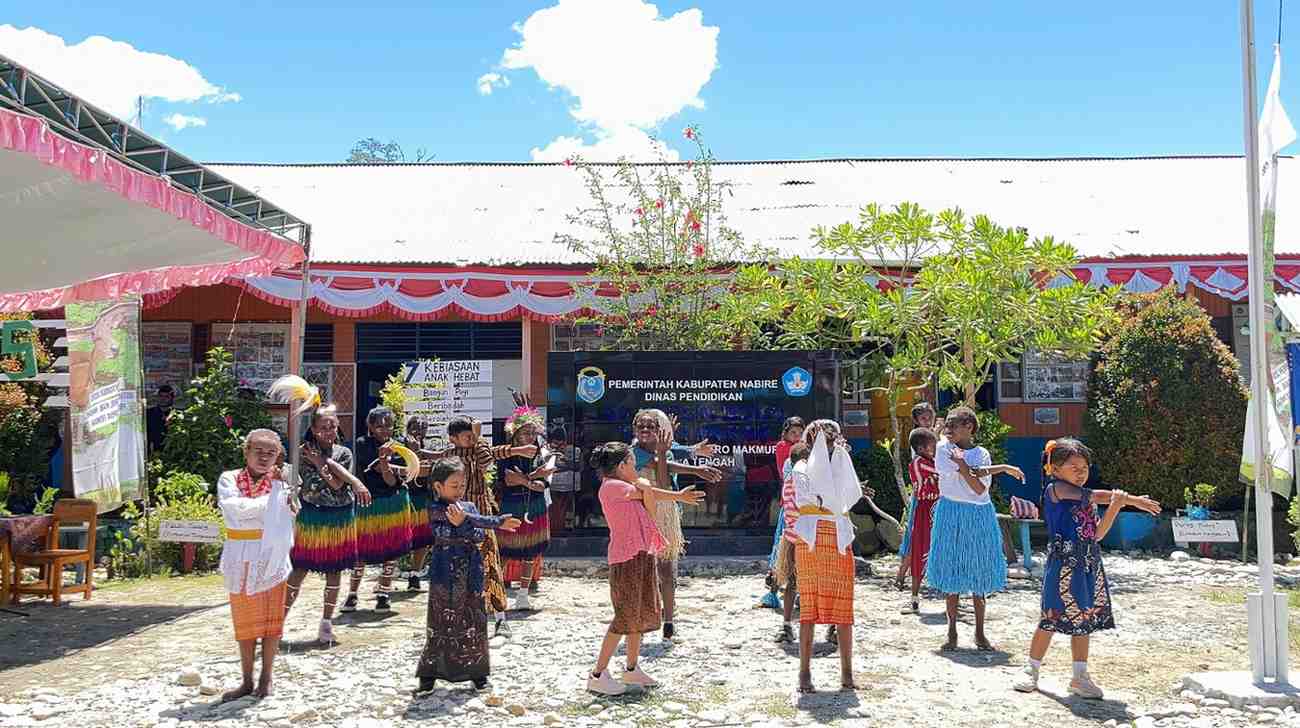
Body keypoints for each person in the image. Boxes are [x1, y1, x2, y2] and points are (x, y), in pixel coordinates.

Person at [1014, 438, 1159, 698]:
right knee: (1050, 616)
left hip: (1089, 563)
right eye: (1073, 466)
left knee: (1084, 620)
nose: (1081, 472)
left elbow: (1098, 534)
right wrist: (1130, 499)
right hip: (1063, 565)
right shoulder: (1055, 490)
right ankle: (1031, 669)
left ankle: (1080, 676)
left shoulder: (1087, 500)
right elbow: (1092, 495)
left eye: (1085, 467)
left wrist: (1116, 505)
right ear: (1055, 469)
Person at [586, 442, 707, 696]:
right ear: (621, 467)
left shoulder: (630, 487)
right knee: (623, 616)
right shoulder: (613, 487)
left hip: (641, 555)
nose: (635, 467)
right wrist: (660, 491)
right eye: (631, 463)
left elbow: (650, 503)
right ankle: (597, 674)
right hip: (625, 559)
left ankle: (631, 668)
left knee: (638, 614)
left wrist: (671, 494)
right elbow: (649, 496)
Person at [416, 458, 522, 694]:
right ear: (438, 487)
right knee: (439, 620)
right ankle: (428, 675)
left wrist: (469, 524)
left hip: (471, 570)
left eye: (462, 485)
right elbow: (471, 524)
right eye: (454, 485)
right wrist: (497, 522)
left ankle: (478, 674)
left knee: (474, 619)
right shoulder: (434, 509)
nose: (459, 490)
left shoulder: (470, 507)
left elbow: (476, 533)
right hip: (443, 572)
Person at [925, 406, 1025, 651]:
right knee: (952, 573)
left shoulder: (981, 453)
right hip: (951, 511)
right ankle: (951, 632)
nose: (948, 431)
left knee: (979, 574)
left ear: (969, 427)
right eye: (946, 426)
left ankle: (980, 632)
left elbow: (979, 488)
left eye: (954, 426)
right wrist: (966, 467)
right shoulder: (942, 449)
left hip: (979, 513)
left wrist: (962, 465)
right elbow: (971, 476)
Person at [428, 415, 537, 638]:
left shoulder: (479, 446)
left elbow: (489, 458)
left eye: (472, 434)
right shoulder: (449, 457)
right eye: (467, 436)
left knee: (491, 566)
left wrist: (512, 449)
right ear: (453, 438)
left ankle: (499, 618)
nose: (471, 439)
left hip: (481, 515)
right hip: (455, 521)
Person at [216, 429, 296, 701]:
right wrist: (270, 506)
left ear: (278, 456)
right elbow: (232, 509)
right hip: (240, 557)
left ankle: (267, 678)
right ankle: (246, 680)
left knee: (271, 624)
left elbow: (287, 512)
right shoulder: (229, 478)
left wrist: (272, 503)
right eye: (258, 451)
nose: (264, 457)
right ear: (246, 452)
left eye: (270, 453)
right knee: (245, 623)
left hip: (271, 558)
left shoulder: (284, 482)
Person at [283, 403, 372, 644]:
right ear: (312, 428)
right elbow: (320, 484)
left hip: (339, 516)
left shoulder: (344, 453)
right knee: (299, 568)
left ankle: (326, 623)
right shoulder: (300, 454)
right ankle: (278, 623)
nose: (329, 431)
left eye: (333, 426)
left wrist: (320, 461)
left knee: (334, 570)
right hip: (312, 515)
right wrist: (324, 466)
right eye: (323, 427)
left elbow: (336, 486)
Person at [631, 409, 723, 641]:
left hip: (665, 514)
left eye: (651, 427)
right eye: (641, 426)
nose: (645, 430)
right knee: (642, 569)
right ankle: (643, 617)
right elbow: (662, 469)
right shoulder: (632, 454)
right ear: (634, 430)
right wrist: (695, 469)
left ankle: (669, 620)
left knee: (666, 569)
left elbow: (666, 475)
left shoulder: (667, 450)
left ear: (659, 430)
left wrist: (689, 450)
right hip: (641, 513)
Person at [791, 420, 865, 694]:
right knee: (809, 607)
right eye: (827, 440)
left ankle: (847, 673)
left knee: (844, 608)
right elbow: (815, 500)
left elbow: (846, 496)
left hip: (838, 537)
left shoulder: (840, 465)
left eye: (834, 440)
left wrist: (839, 459)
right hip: (812, 540)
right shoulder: (801, 469)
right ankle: (804, 673)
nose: (832, 445)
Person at [344, 406, 413, 613]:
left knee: (390, 550)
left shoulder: (399, 447)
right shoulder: (362, 444)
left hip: (393, 502)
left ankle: (383, 594)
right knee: (362, 550)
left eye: (388, 425)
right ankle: (352, 594)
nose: (384, 430)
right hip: (368, 503)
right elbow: (381, 471)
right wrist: (384, 461)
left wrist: (389, 463)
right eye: (379, 426)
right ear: (370, 427)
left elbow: (391, 480)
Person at [496, 406, 553, 610]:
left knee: (530, 552)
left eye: (532, 432)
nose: (529, 436)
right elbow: (508, 481)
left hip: (534, 506)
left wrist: (525, 480)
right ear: (515, 433)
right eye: (525, 432)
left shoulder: (540, 454)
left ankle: (522, 596)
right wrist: (532, 478)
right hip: (511, 505)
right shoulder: (506, 454)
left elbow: (542, 484)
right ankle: (494, 594)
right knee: (504, 550)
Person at [894, 402, 938, 591]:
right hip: (924, 499)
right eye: (923, 418)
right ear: (917, 420)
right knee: (915, 540)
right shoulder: (920, 441)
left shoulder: (931, 438)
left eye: (930, 417)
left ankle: (905, 577)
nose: (927, 421)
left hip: (932, 497)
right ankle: (902, 575)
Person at [764, 418, 806, 610]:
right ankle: (773, 590)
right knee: (782, 553)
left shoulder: (803, 452)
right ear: (785, 434)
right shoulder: (784, 450)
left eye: (800, 433)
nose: (797, 437)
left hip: (801, 510)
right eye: (793, 433)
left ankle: (795, 592)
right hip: (790, 510)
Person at [772, 441, 810, 643]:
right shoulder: (804, 480)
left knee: (792, 584)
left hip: (791, 538)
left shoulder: (788, 480)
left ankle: (786, 625)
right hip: (806, 539)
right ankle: (828, 627)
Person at [900, 427, 940, 615]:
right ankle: (914, 598)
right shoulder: (919, 463)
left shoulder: (930, 461)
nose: (936, 447)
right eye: (933, 444)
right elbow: (944, 472)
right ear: (923, 448)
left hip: (938, 507)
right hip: (925, 510)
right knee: (920, 550)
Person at [403, 416, 434, 593]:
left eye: (423, 428)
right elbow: (411, 473)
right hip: (404, 499)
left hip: (423, 499)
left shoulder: (428, 449)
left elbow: (429, 473)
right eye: (415, 427)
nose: (418, 431)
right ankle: (386, 582)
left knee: (422, 539)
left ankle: (414, 575)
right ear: (408, 429)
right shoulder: (399, 449)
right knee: (399, 538)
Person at [547, 427, 580, 534]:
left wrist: (565, 460)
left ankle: (567, 528)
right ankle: (555, 529)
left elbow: (577, 466)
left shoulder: (574, 450)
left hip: (570, 485)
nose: (559, 446)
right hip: (553, 486)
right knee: (554, 510)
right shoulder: (547, 451)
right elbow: (547, 468)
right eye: (555, 443)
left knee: (568, 510)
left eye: (561, 443)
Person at [145, 384, 175, 453]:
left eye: (166, 396)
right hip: (153, 453)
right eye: (160, 396)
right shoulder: (148, 413)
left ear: (172, 398)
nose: (163, 399)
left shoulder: (177, 415)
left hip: (172, 453)